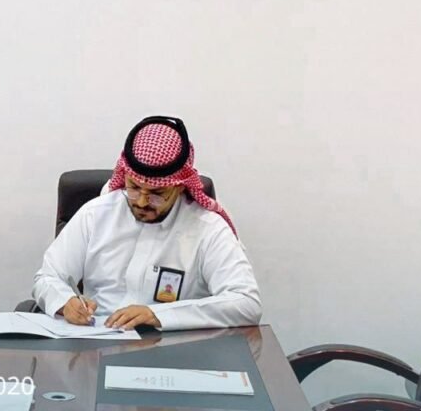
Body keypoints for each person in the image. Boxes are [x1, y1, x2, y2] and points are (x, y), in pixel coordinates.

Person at [31, 116, 261, 331]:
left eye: (156, 194)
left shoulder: (207, 228)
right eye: (133, 188)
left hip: (172, 347)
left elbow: (246, 303)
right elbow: (47, 278)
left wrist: (158, 315)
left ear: (180, 186)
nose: (141, 202)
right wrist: (65, 302)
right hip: (97, 340)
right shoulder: (96, 215)